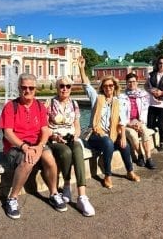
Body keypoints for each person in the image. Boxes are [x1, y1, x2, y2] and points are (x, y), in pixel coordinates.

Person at [0, 73, 66, 220]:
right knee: (28, 160)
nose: (27, 90)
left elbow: (45, 130)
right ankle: (12, 198)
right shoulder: (10, 106)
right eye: (24, 87)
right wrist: (24, 147)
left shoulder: (40, 106)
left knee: (49, 158)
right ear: (19, 88)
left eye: (31, 88)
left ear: (35, 89)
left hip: (36, 144)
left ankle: (54, 193)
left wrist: (40, 146)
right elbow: (8, 134)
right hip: (16, 146)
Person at [78, 56, 140, 189]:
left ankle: (130, 172)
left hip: (111, 134)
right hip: (95, 135)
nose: (108, 88)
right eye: (105, 86)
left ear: (115, 86)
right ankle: (107, 175)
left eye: (111, 85)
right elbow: (86, 86)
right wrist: (81, 68)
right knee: (107, 142)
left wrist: (123, 137)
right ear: (102, 88)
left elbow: (122, 122)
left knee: (125, 145)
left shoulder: (118, 102)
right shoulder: (97, 99)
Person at [46, 76, 95, 217]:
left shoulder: (74, 103)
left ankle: (82, 197)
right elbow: (44, 126)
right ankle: (67, 185)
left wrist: (76, 136)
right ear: (57, 87)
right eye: (62, 86)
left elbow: (77, 125)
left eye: (68, 86)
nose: (65, 89)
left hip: (71, 137)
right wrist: (54, 136)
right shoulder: (49, 103)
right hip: (55, 138)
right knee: (66, 153)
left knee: (78, 149)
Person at [119, 72, 155, 169]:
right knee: (132, 134)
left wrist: (140, 122)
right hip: (126, 124)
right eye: (129, 82)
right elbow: (121, 114)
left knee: (145, 132)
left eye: (134, 82)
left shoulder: (143, 95)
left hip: (139, 121)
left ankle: (149, 158)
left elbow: (145, 110)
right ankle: (140, 155)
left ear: (137, 82)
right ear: (126, 83)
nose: (132, 84)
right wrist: (129, 124)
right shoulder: (121, 97)